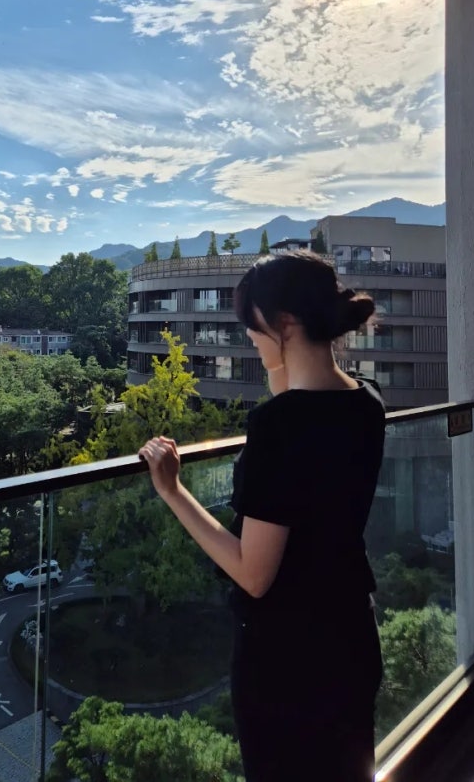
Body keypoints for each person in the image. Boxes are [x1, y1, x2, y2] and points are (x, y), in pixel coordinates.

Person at [139, 251, 385, 782]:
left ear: (285, 323)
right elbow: (302, 418)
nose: (249, 336)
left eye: (253, 324)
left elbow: (253, 574)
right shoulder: (368, 402)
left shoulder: (280, 427)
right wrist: (281, 365)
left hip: (288, 661)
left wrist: (173, 490)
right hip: (351, 634)